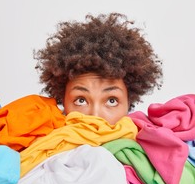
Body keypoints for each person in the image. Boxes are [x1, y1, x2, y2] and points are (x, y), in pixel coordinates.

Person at [33, 12, 163, 125]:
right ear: (64, 104)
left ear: (128, 103)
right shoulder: (39, 149)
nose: (95, 117)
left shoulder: (152, 150)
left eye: (112, 101)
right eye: (81, 100)